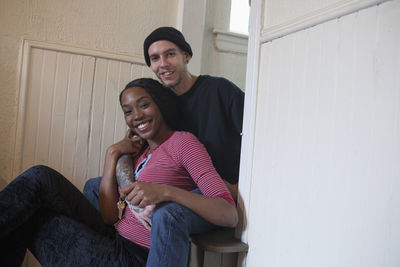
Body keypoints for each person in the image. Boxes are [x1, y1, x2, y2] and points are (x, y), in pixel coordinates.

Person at [0, 78, 237, 267]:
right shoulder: (138, 152)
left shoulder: (183, 143)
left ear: (161, 105)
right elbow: (108, 216)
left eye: (144, 105)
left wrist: (167, 192)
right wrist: (112, 154)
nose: (136, 116)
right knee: (40, 178)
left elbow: (227, 213)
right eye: (128, 111)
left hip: (133, 258)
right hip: (113, 239)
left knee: (31, 217)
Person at [83, 26, 244, 267]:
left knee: (167, 212)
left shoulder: (219, 90)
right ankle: (113, 247)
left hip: (216, 187)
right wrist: (127, 145)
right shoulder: (162, 105)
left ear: (186, 56)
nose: (163, 64)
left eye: (170, 54)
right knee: (96, 186)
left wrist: (239, 188)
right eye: (155, 58)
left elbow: (262, 133)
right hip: (183, 177)